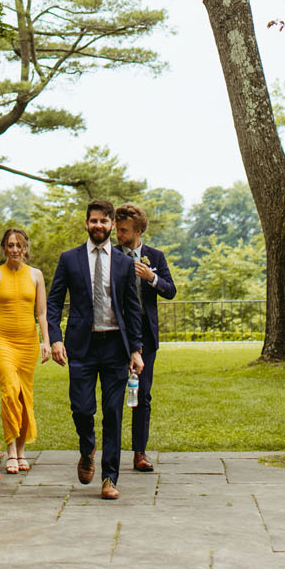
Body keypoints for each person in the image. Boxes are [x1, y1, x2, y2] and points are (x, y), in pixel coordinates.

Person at [46, 199, 144, 500]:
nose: (98, 226)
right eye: (93, 221)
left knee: (113, 414)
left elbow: (132, 309)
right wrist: (55, 338)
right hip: (81, 347)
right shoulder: (69, 259)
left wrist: (136, 349)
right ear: (86, 223)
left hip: (115, 346)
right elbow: (53, 302)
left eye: (104, 221)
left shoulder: (125, 263)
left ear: (112, 224)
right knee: (82, 408)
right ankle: (87, 447)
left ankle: (110, 478)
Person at [0, 227, 51, 474]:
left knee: (23, 396)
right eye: (10, 245)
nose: (15, 250)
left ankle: (21, 451)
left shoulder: (36, 275)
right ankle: (10, 451)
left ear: (26, 248)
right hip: (3, 340)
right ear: (4, 248)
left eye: (19, 245)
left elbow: (42, 313)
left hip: (28, 342)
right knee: (9, 391)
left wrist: (47, 342)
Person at [114, 202, 177, 473]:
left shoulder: (156, 256)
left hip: (147, 338)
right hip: (116, 335)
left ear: (138, 231)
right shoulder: (111, 255)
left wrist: (152, 277)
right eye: (117, 229)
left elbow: (171, 291)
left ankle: (140, 452)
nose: (118, 234)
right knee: (114, 395)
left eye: (124, 230)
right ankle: (111, 452)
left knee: (143, 394)